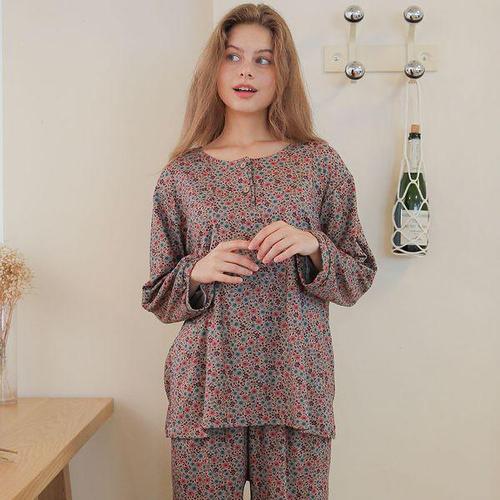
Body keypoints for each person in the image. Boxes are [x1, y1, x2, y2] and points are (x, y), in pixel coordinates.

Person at [141, 3, 378, 499]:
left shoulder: (319, 164)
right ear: (215, 69)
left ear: (281, 73)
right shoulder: (181, 175)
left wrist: (314, 246)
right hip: (205, 392)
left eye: (263, 59)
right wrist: (197, 270)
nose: (245, 71)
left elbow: (357, 276)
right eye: (233, 56)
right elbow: (158, 297)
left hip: (294, 387)